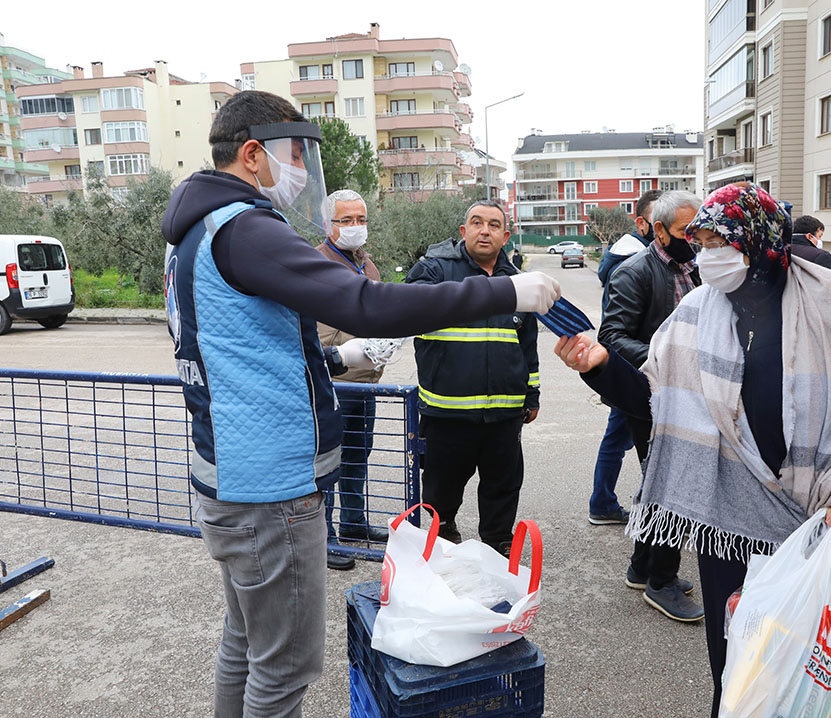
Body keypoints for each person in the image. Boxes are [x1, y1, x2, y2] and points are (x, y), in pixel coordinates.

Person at [161, 91, 559, 718]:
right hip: (270, 486)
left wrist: (336, 362)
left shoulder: (196, 230)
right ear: (252, 153)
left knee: (245, 643)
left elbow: (240, 346)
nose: (300, 172)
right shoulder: (244, 227)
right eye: (295, 155)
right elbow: (366, 303)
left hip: (228, 472)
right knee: (285, 667)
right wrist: (506, 289)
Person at [554, 182, 831, 718]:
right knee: (741, 660)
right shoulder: (698, 308)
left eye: (721, 243)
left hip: (827, 511)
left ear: (761, 240)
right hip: (730, 518)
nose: (708, 257)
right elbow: (657, 399)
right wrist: (599, 366)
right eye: (703, 243)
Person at [406, 200, 540, 557]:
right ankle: (441, 537)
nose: (485, 230)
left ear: (506, 236)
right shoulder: (435, 270)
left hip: (504, 413)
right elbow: (410, 307)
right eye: (477, 223)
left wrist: (532, 394)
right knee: (441, 488)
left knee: (503, 485)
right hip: (447, 413)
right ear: (463, 232)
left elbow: (527, 344)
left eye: (494, 225)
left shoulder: (518, 283)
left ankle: (497, 543)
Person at [598, 190, 704, 622]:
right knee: (670, 486)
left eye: (699, 231)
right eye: (685, 232)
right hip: (653, 397)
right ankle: (661, 581)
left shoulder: (694, 267)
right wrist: (663, 360)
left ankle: (643, 567)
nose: (694, 239)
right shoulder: (635, 272)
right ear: (658, 230)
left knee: (659, 482)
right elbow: (612, 335)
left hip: (690, 395)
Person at [316, 189, 386, 573]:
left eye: (361, 219)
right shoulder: (315, 263)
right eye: (347, 220)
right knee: (328, 463)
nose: (356, 227)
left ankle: (353, 523)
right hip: (333, 383)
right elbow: (315, 329)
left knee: (359, 457)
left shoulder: (366, 264)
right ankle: (324, 538)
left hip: (366, 383)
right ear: (329, 224)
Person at [589, 190, 662, 526]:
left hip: (635, 366)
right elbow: (615, 329)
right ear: (642, 223)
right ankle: (602, 504)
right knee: (619, 437)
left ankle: (602, 502)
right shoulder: (633, 262)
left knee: (617, 438)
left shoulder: (624, 254)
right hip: (635, 369)